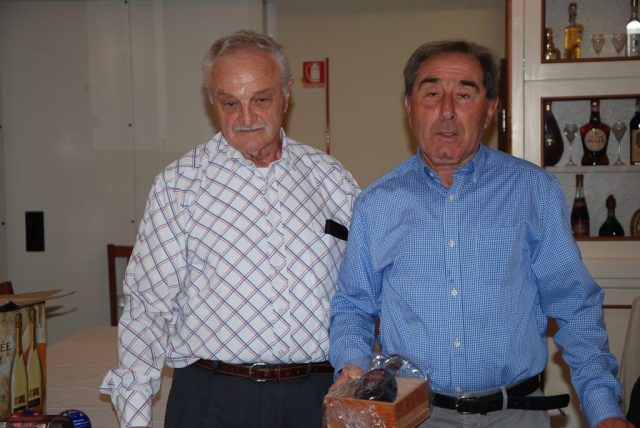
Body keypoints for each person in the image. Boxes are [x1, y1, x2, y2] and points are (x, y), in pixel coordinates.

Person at [329, 39, 634, 428]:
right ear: (409, 107)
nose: (446, 111)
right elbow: (353, 306)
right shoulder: (377, 204)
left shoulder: (532, 192)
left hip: (516, 415)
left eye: (464, 95)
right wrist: (352, 366)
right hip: (414, 416)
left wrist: (604, 410)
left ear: (490, 109)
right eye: (432, 94)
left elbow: (575, 306)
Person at [100, 30, 359, 428]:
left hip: (315, 398)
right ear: (212, 101)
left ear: (286, 94)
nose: (247, 118)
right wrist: (135, 419)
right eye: (230, 103)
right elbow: (147, 308)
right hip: (212, 399)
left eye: (261, 99)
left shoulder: (331, 179)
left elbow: (361, 292)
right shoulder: (179, 185)